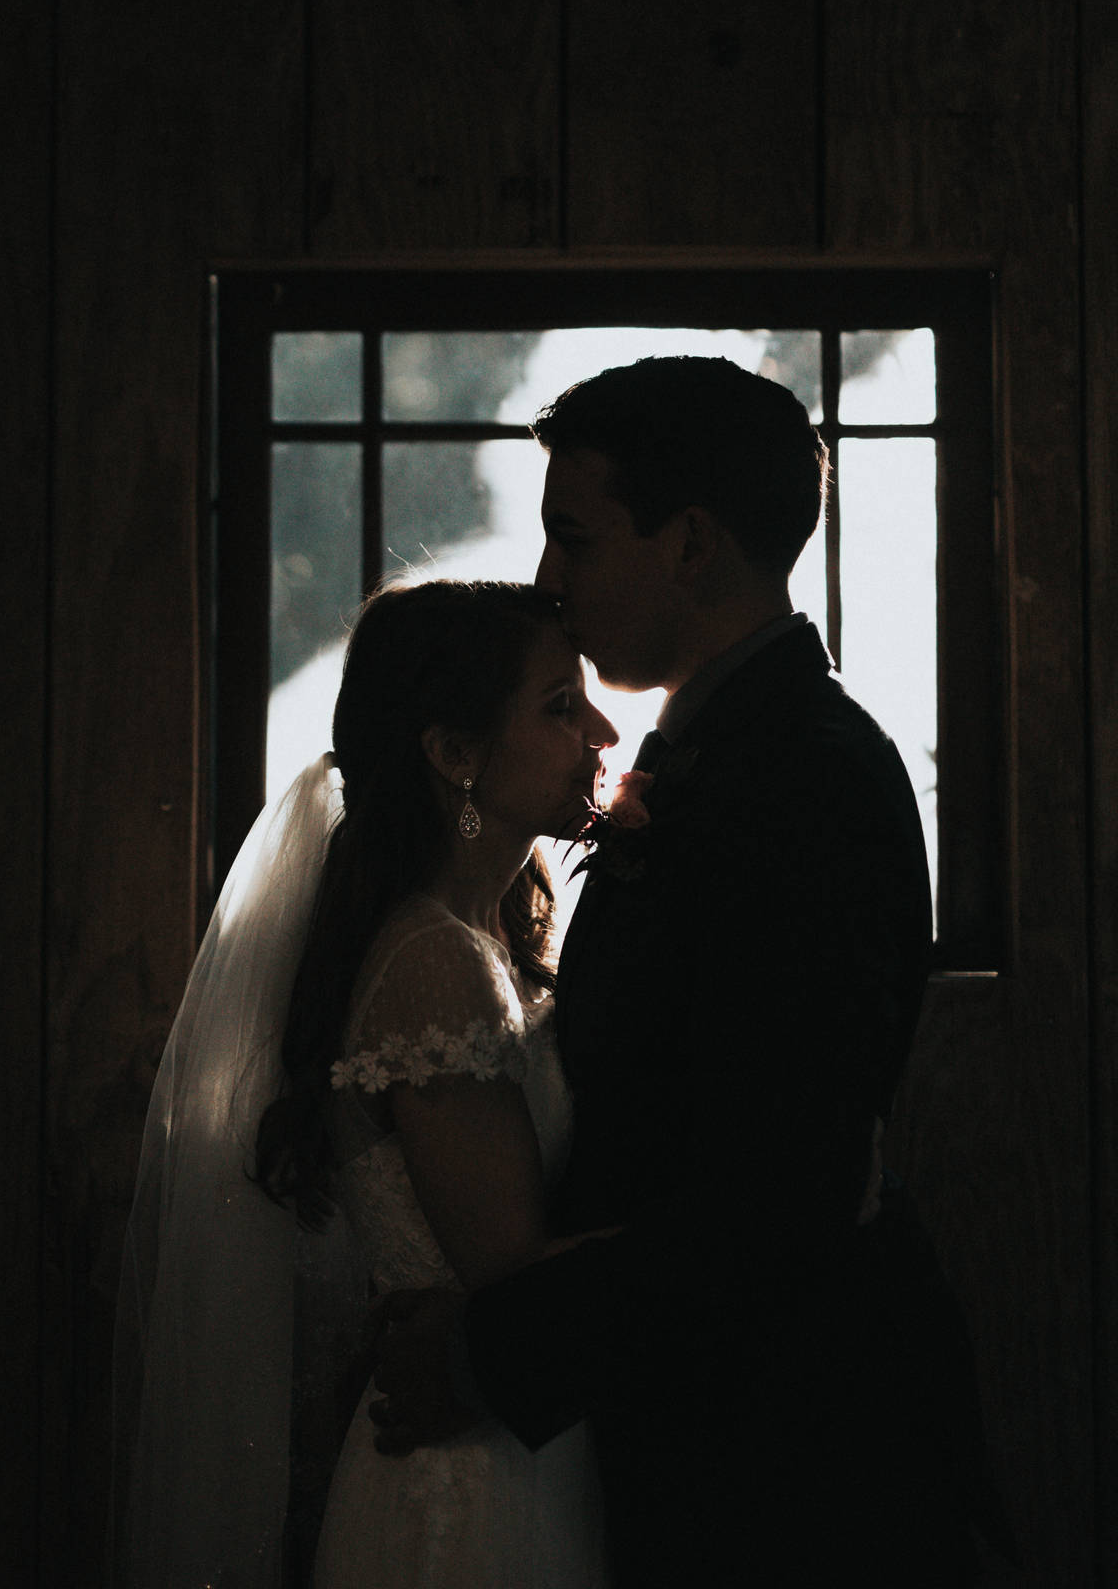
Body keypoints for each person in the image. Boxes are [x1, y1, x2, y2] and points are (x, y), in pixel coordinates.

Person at [371, 356, 989, 1586]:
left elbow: (776, 1196)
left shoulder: (803, 775)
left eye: (575, 538)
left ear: (691, 543)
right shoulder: (723, 755)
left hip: (784, 1466)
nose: (549, 579)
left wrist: (491, 1355)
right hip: (706, 1439)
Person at [113, 579, 620, 1588]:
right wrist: (738, 1228)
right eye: (560, 706)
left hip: (514, 1432)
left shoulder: (481, 939)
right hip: (468, 1475)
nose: (601, 731)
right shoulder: (435, 962)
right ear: (453, 753)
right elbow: (510, 1270)